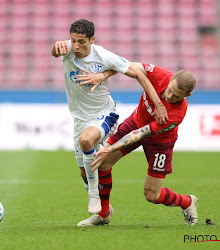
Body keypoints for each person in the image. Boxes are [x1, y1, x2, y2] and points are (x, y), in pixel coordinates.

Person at [52, 19, 168, 215]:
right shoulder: (68, 50)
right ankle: (104, 208)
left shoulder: (103, 55)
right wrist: (56, 47)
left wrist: (158, 104)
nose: (76, 46)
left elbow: (139, 72)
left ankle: (94, 198)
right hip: (80, 118)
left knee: (86, 140)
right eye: (73, 41)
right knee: (84, 171)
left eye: (82, 41)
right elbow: (56, 51)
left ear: (92, 39)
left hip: (104, 113)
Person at [76, 62, 198, 226]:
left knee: (151, 195)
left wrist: (111, 147)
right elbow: (125, 65)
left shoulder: (177, 114)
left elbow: (139, 134)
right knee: (103, 163)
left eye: (176, 96)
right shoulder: (158, 74)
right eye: (170, 90)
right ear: (170, 79)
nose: (169, 97)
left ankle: (187, 201)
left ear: (186, 96)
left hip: (159, 142)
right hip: (135, 121)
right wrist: (103, 75)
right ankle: (103, 214)